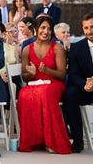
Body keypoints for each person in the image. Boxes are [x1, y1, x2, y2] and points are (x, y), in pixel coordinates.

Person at [17, 16, 71, 154]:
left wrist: (46, 70)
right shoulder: (27, 50)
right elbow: (24, 77)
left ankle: (51, 141)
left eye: (48, 29)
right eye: (42, 28)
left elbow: (62, 75)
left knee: (45, 93)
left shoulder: (57, 48)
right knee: (23, 94)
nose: (45, 31)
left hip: (54, 84)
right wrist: (32, 73)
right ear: (36, 29)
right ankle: (34, 140)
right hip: (35, 83)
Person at [63, 13, 93, 153]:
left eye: (92, 27)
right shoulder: (77, 47)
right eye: (86, 28)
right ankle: (78, 139)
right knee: (70, 94)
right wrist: (84, 85)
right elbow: (73, 73)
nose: (89, 31)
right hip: (86, 90)